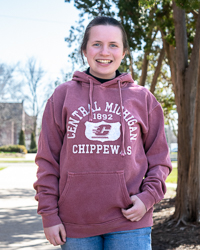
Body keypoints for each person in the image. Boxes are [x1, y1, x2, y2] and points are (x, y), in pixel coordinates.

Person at [33, 16, 172, 250]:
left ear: (124, 52)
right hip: (75, 224)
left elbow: (160, 160)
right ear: (84, 50)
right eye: (96, 44)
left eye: (113, 45)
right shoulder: (62, 96)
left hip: (131, 222)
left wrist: (148, 198)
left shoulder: (143, 99)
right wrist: (49, 214)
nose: (104, 51)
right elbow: (48, 161)